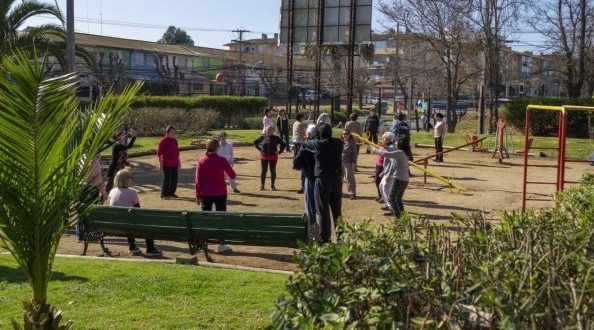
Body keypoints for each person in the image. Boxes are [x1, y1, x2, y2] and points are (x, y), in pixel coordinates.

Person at [302, 123, 343, 243]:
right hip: (337, 179)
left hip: (323, 179)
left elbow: (306, 143)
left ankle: (325, 238)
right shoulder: (338, 143)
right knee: (337, 211)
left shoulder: (318, 144)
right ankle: (341, 237)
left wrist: (311, 137)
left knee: (322, 210)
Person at [195, 138, 236, 253]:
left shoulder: (201, 161)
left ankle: (202, 243)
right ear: (217, 148)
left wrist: (198, 195)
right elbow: (232, 175)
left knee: (205, 219)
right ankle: (222, 244)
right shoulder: (222, 160)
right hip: (220, 193)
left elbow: (198, 180)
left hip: (206, 194)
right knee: (221, 218)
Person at [108, 169, 162, 256]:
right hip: (129, 224)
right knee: (146, 222)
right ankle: (150, 248)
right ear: (126, 180)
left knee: (128, 218)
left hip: (114, 224)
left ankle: (132, 246)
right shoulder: (132, 192)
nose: (131, 179)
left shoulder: (112, 191)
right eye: (130, 177)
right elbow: (138, 210)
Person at [373, 136, 411, 217]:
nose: (395, 143)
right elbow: (392, 151)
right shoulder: (403, 152)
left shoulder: (399, 153)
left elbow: (386, 154)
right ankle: (403, 216)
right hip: (405, 179)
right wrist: (384, 146)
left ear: (400, 145)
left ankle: (398, 218)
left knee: (391, 198)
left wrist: (375, 150)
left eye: (397, 142)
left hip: (399, 179)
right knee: (398, 199)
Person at [293, 124, 317, 227]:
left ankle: (313, 235)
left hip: (309, 177)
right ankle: (324, 236)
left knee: (310, 208)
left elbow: (296, 163)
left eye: (307, 132)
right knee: (320, 209)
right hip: (321, 179)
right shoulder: (321, 144)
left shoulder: (306, 145)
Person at [254, 126, 285, 191]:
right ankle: (262, 185)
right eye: (267, 130)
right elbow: (255, 142)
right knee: (263, 171)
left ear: (272, 131)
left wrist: (279, 151)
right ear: (266, 131)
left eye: (270, 130)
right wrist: (260, 149)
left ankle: (272, 186)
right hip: (264, 157)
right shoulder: (262, 137)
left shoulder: (276, 138)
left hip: (273, 157)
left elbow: (283, 144)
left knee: (272, 171)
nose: (268, 131)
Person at [156, 125, 180, 199]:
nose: (173, 133)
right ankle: (164, 194)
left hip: (174, 163)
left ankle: (171, 193)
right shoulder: (163, 141)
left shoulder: (175, 141)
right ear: (167, 132)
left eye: (174, 132)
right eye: (172, 132)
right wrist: (161, 164)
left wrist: (179, 162)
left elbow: (177, 153)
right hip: (166, 163)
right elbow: (159, 154)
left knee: (174, 179)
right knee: (167, 179)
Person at [377, 132, 397, 209]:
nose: (383, 139)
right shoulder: (388, 147)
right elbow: (387, 162)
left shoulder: (391, 148)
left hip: (391, 173)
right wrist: (384, 172)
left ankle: (392, 207)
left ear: (389, 139)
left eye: (384, 138)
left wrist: (389, 174)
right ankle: (388, 204)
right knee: (381, 186)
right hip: (387, 171)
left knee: (386, 189)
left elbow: (393, 163)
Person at [341, 130, 357, 199]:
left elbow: (354, 154)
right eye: (344, 134)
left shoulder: (352, 143)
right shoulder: (339, 142)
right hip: (339, 162)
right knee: (339, 178)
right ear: (342, 134)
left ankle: (352, 193)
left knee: (349, 178)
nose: (345, 135)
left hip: (348, 163)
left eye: (347, 134)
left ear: (350, 135)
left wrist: (353, 163)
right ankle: (339, 192)